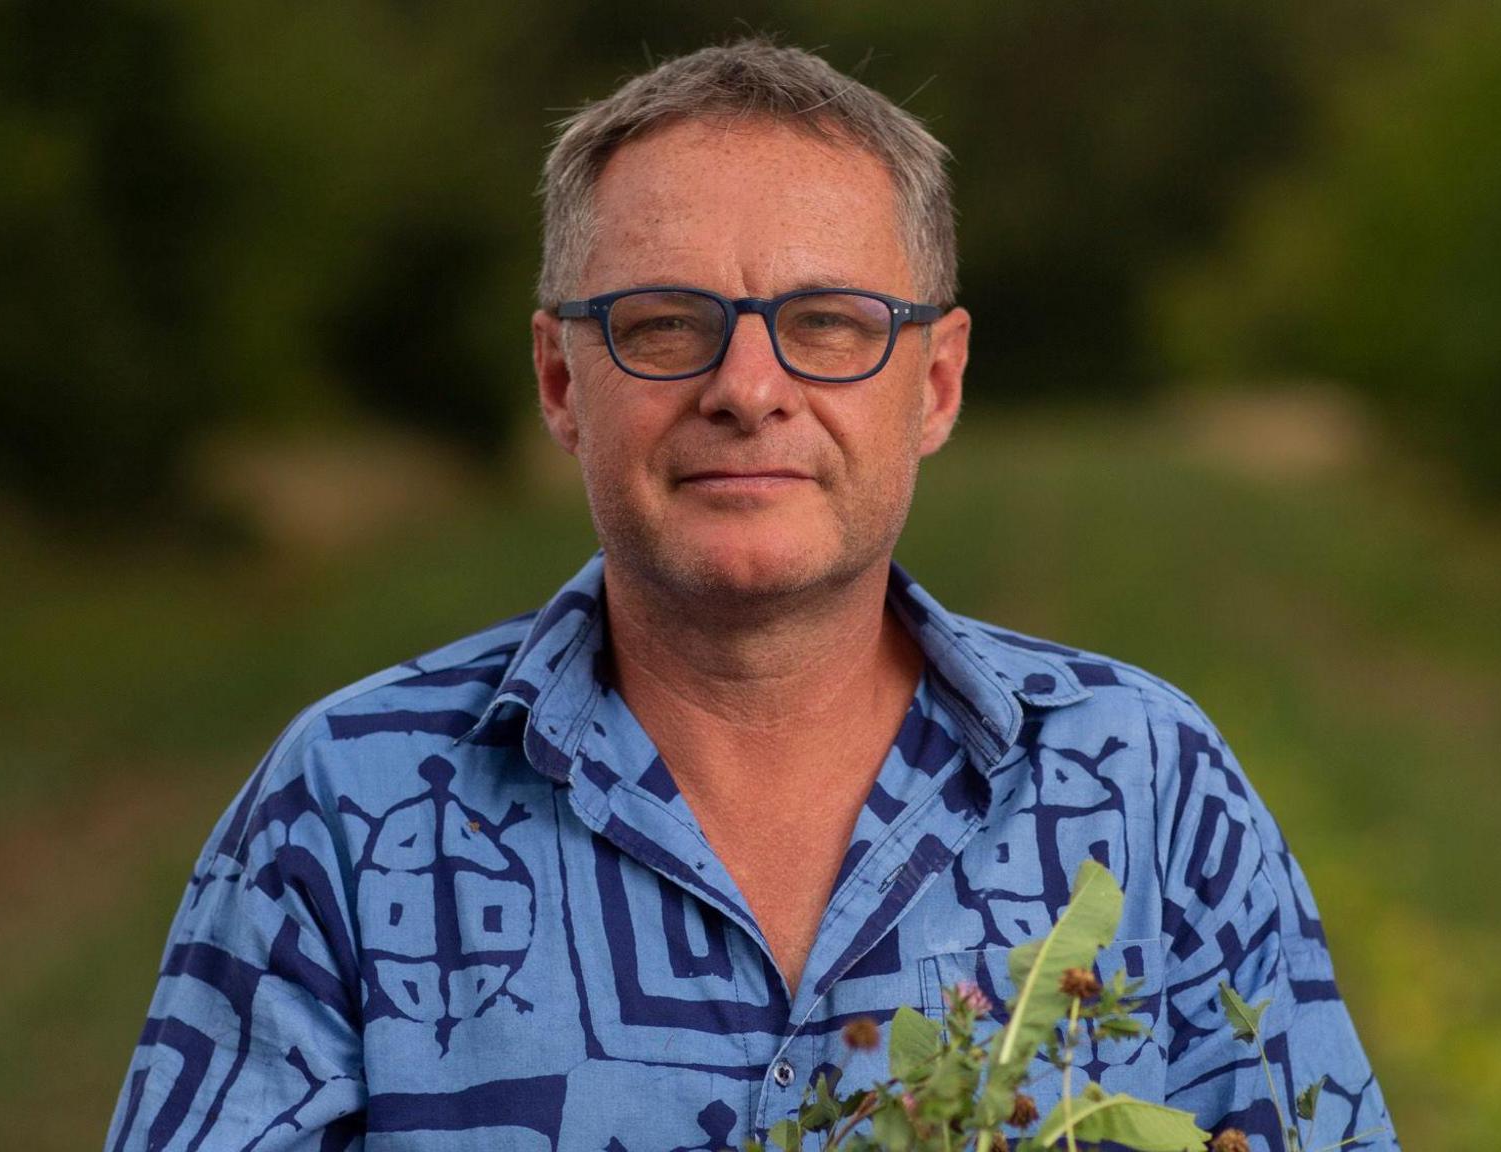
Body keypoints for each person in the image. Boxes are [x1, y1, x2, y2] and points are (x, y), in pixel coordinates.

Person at [105, 38, 1396, 1152]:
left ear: (935, 382)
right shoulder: (341, 808)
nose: (749, 386)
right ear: (562, 381)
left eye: (829, 323)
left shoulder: (1149, 786)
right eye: (666, 322)